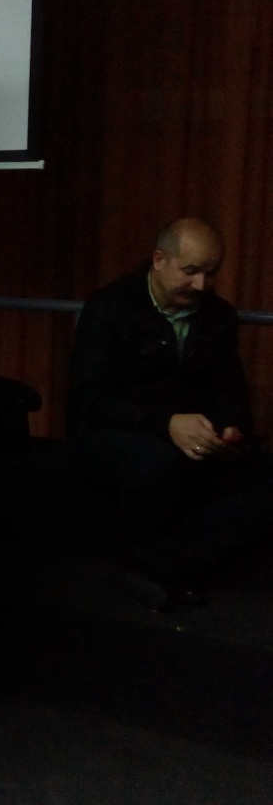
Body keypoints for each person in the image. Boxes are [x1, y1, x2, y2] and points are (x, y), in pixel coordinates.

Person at [68, 217, 273, 610]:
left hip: (187, 434)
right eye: (190, 271)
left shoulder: (218, 315)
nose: (201, 284)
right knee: (159, 462)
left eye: (211, 273)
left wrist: (232, 429)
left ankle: (155, 563)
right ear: (159, 260)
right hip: (110, 432)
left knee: (263, 471)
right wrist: (167, 424)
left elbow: (228, 388)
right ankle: (165, 564)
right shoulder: (109, 308)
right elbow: (92, 399)